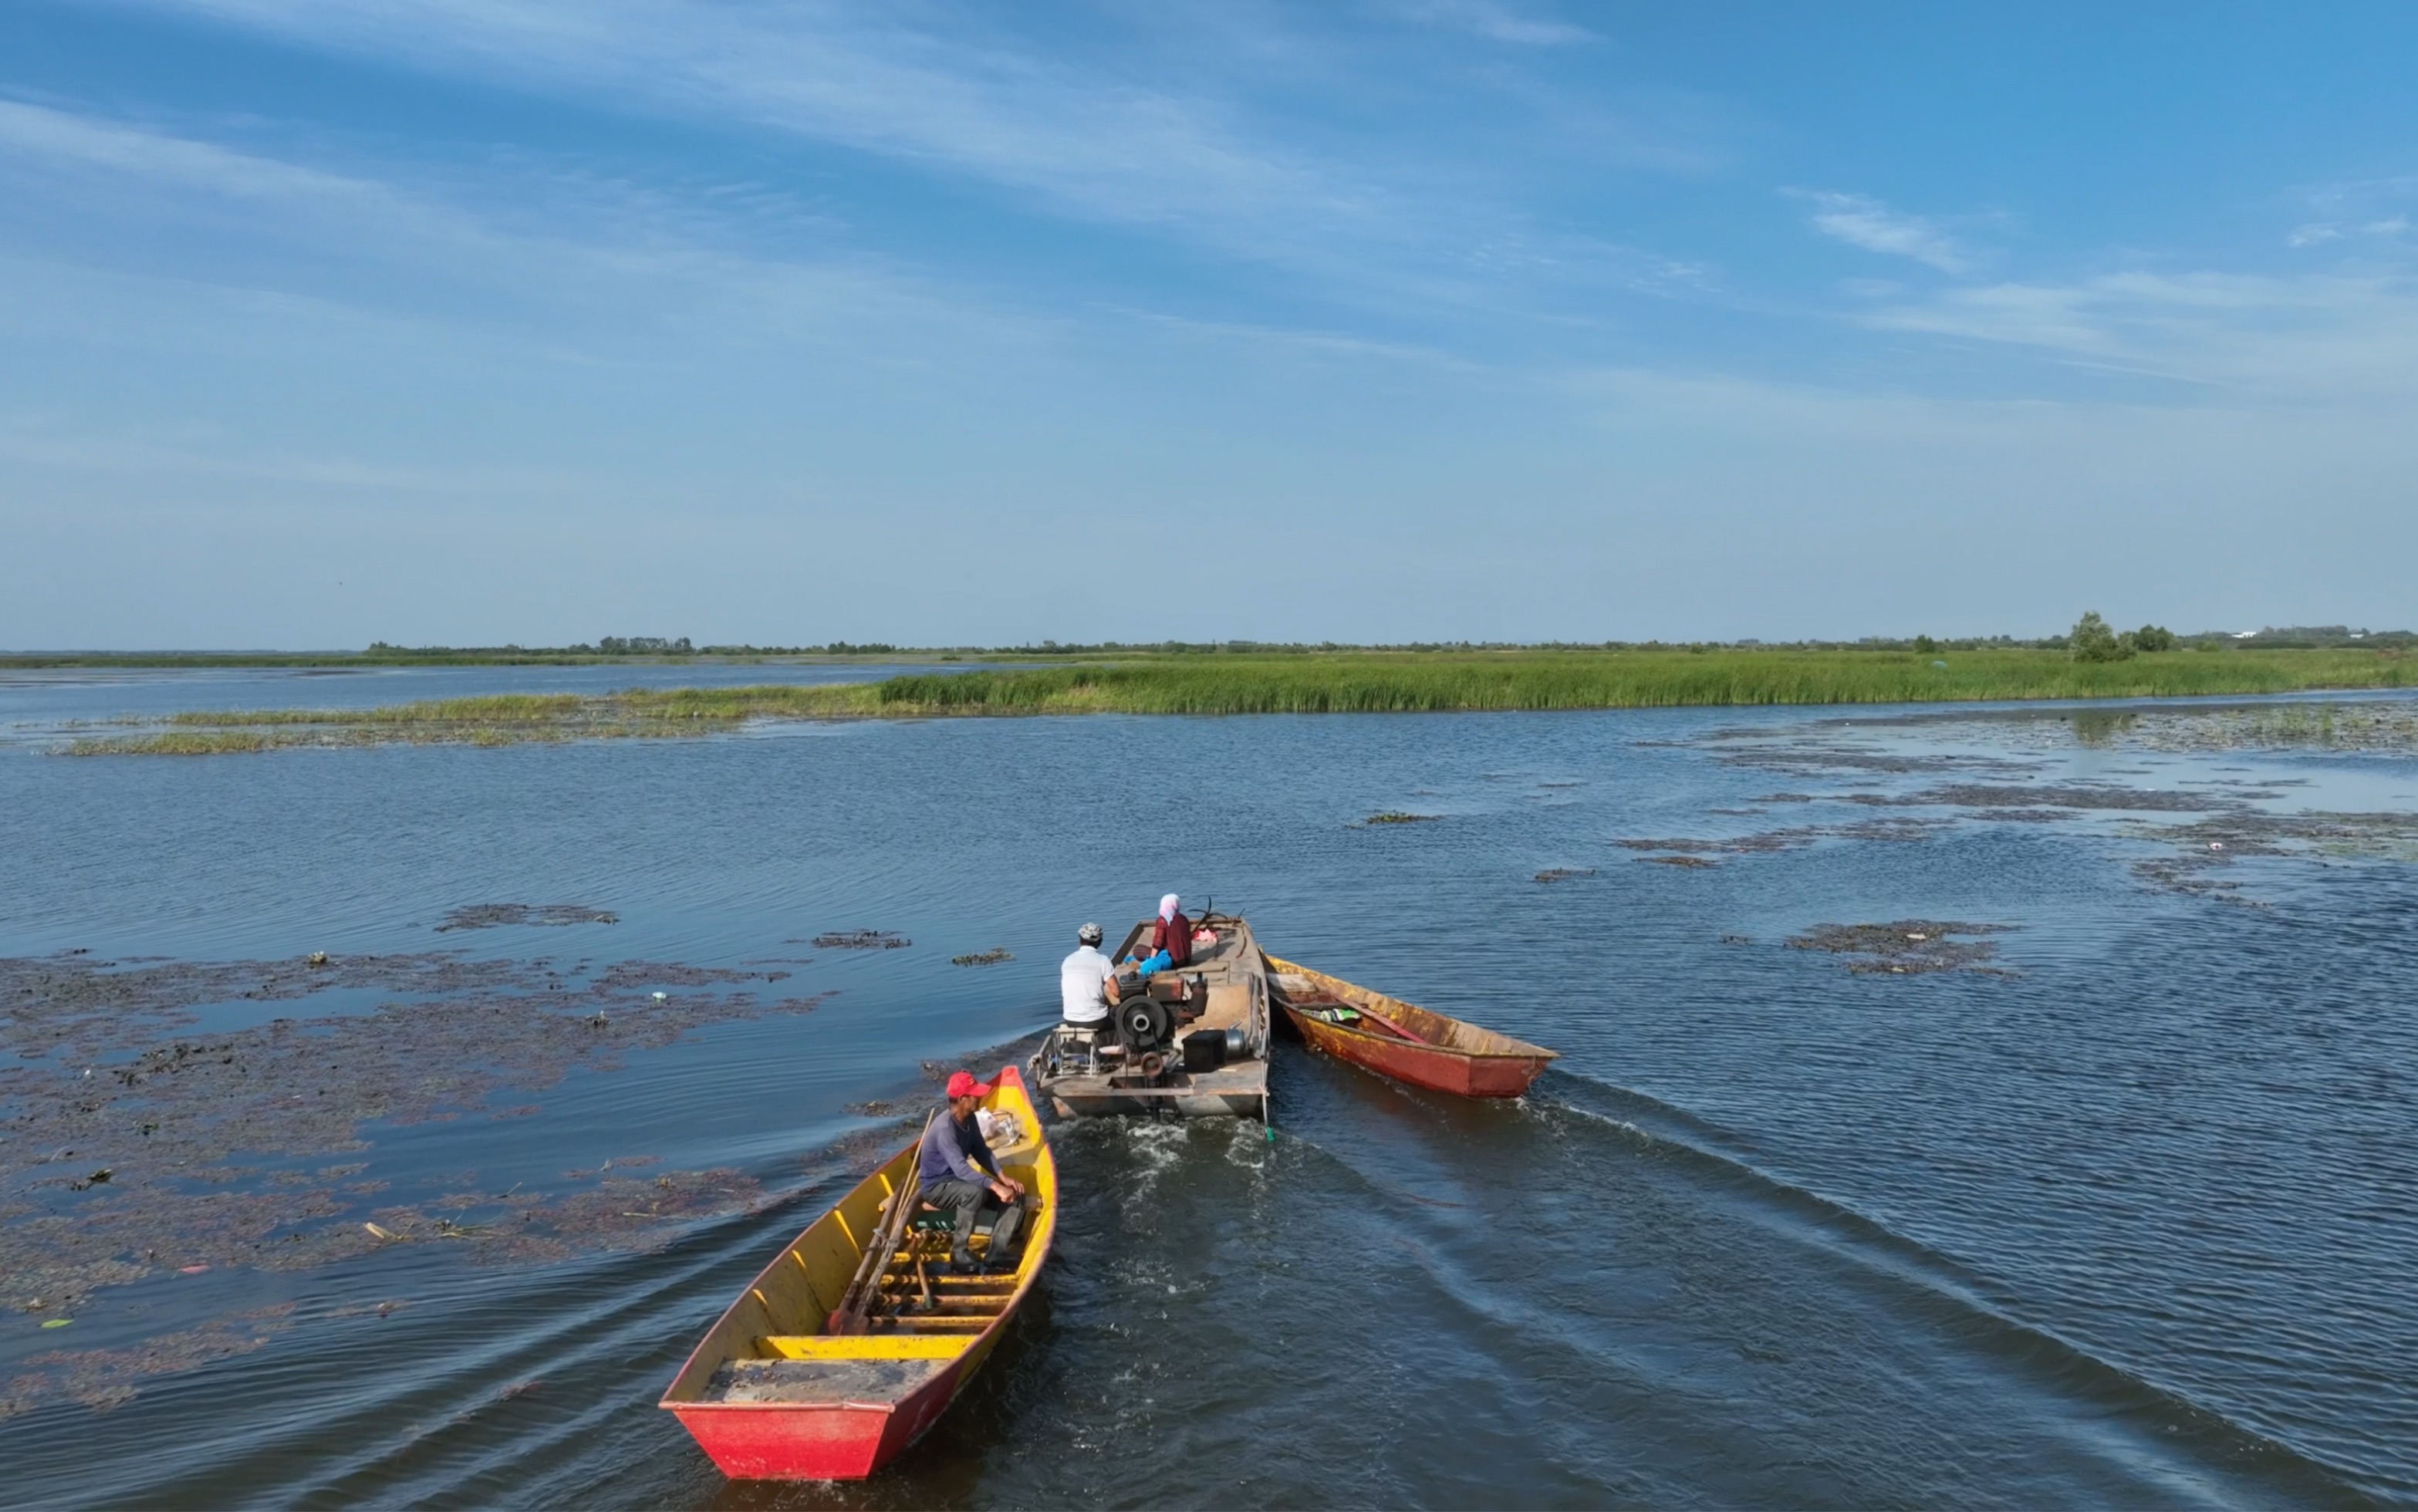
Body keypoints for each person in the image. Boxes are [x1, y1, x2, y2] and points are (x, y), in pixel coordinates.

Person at [918, 1070, 1028, 1274]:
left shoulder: (970, 1119)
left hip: (960, 1181)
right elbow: (961, 1168)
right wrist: (995, 1185)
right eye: (974, 1094)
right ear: (962, 1099)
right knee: (975, 1192)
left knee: (1016, 1195)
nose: (980, 1097)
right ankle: (959, 1253)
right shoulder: (945, 1130)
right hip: (937, 1187)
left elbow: (981, 1150)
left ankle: (997, 1253)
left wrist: (1003, 1178)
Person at [1059, 923, 1114, 1031]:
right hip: (1096, 1021)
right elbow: (1116, 992)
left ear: (1080, 940)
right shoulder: (1103, 960)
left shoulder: (1067, 960)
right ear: (1100, 942)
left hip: (1070, 1020)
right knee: (1122, 1013)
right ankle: (1120, 1045)